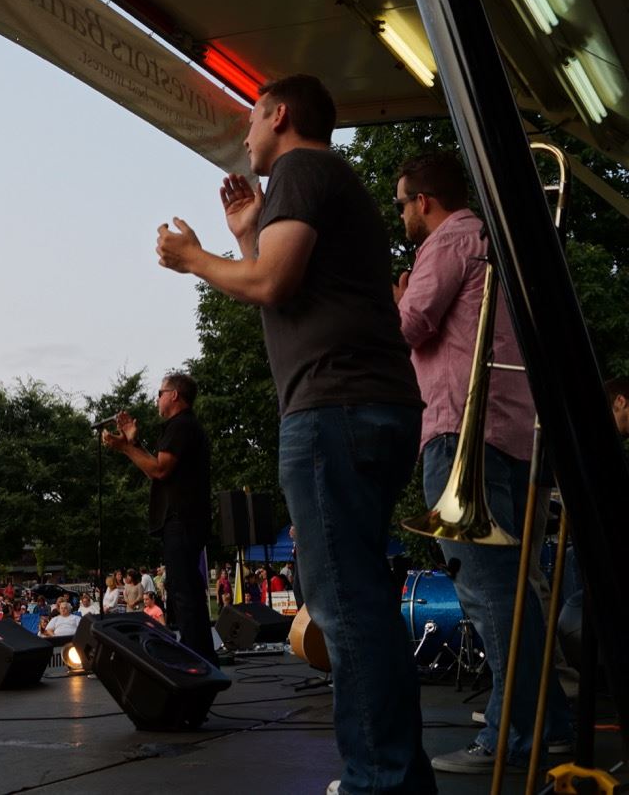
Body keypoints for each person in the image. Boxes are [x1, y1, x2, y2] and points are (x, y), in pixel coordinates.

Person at [156, 74, 433, 793]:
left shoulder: (304, 169)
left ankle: (381, 779)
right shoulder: (324, 181)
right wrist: (249, 236)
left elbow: (272, 286)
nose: (246, 136)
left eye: (251, 119)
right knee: (361, 596)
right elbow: (294, 288)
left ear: (278, 114)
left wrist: (193, 260)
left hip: (332, 408)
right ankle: (396, 773)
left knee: (343, 603)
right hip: (371, 404)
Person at [393, 152, 573, 773]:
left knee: (489, 593)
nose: (402, 217)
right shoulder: (494, 241)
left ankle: (513, 738)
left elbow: (411, 325)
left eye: (402, 204)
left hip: (462, 428)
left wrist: (394, 299)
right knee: (517, 592)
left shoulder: (449, 241)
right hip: (514, 433)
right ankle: (546, 724)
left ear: (423, 201)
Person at [103, 373, 217, 664]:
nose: (157, 398)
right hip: (184, 519)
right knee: (184, 588)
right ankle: (201, 656)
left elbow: (160, 471)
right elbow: (157, 467)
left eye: (160, 392)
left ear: (174, 395)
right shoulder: (182, 426)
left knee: (185, 592)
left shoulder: (180, 426)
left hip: (182, 519)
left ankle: (197, 659)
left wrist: (126, 448)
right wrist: (134, 444)